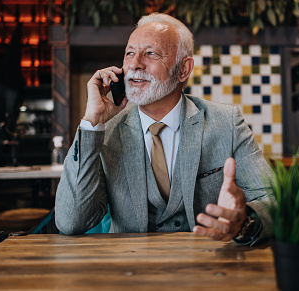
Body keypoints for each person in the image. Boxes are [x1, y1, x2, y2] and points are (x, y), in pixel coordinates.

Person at [55, 13, 273, 245]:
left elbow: (273, 200)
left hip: (208, 267)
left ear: (183, 69)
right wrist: (92, 121)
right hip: (129, 269)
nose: (135, 64)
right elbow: (71, 222)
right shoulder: (104, 131)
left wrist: (245, 221)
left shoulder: (227, 122)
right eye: (129, 53)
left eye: (151, 53)